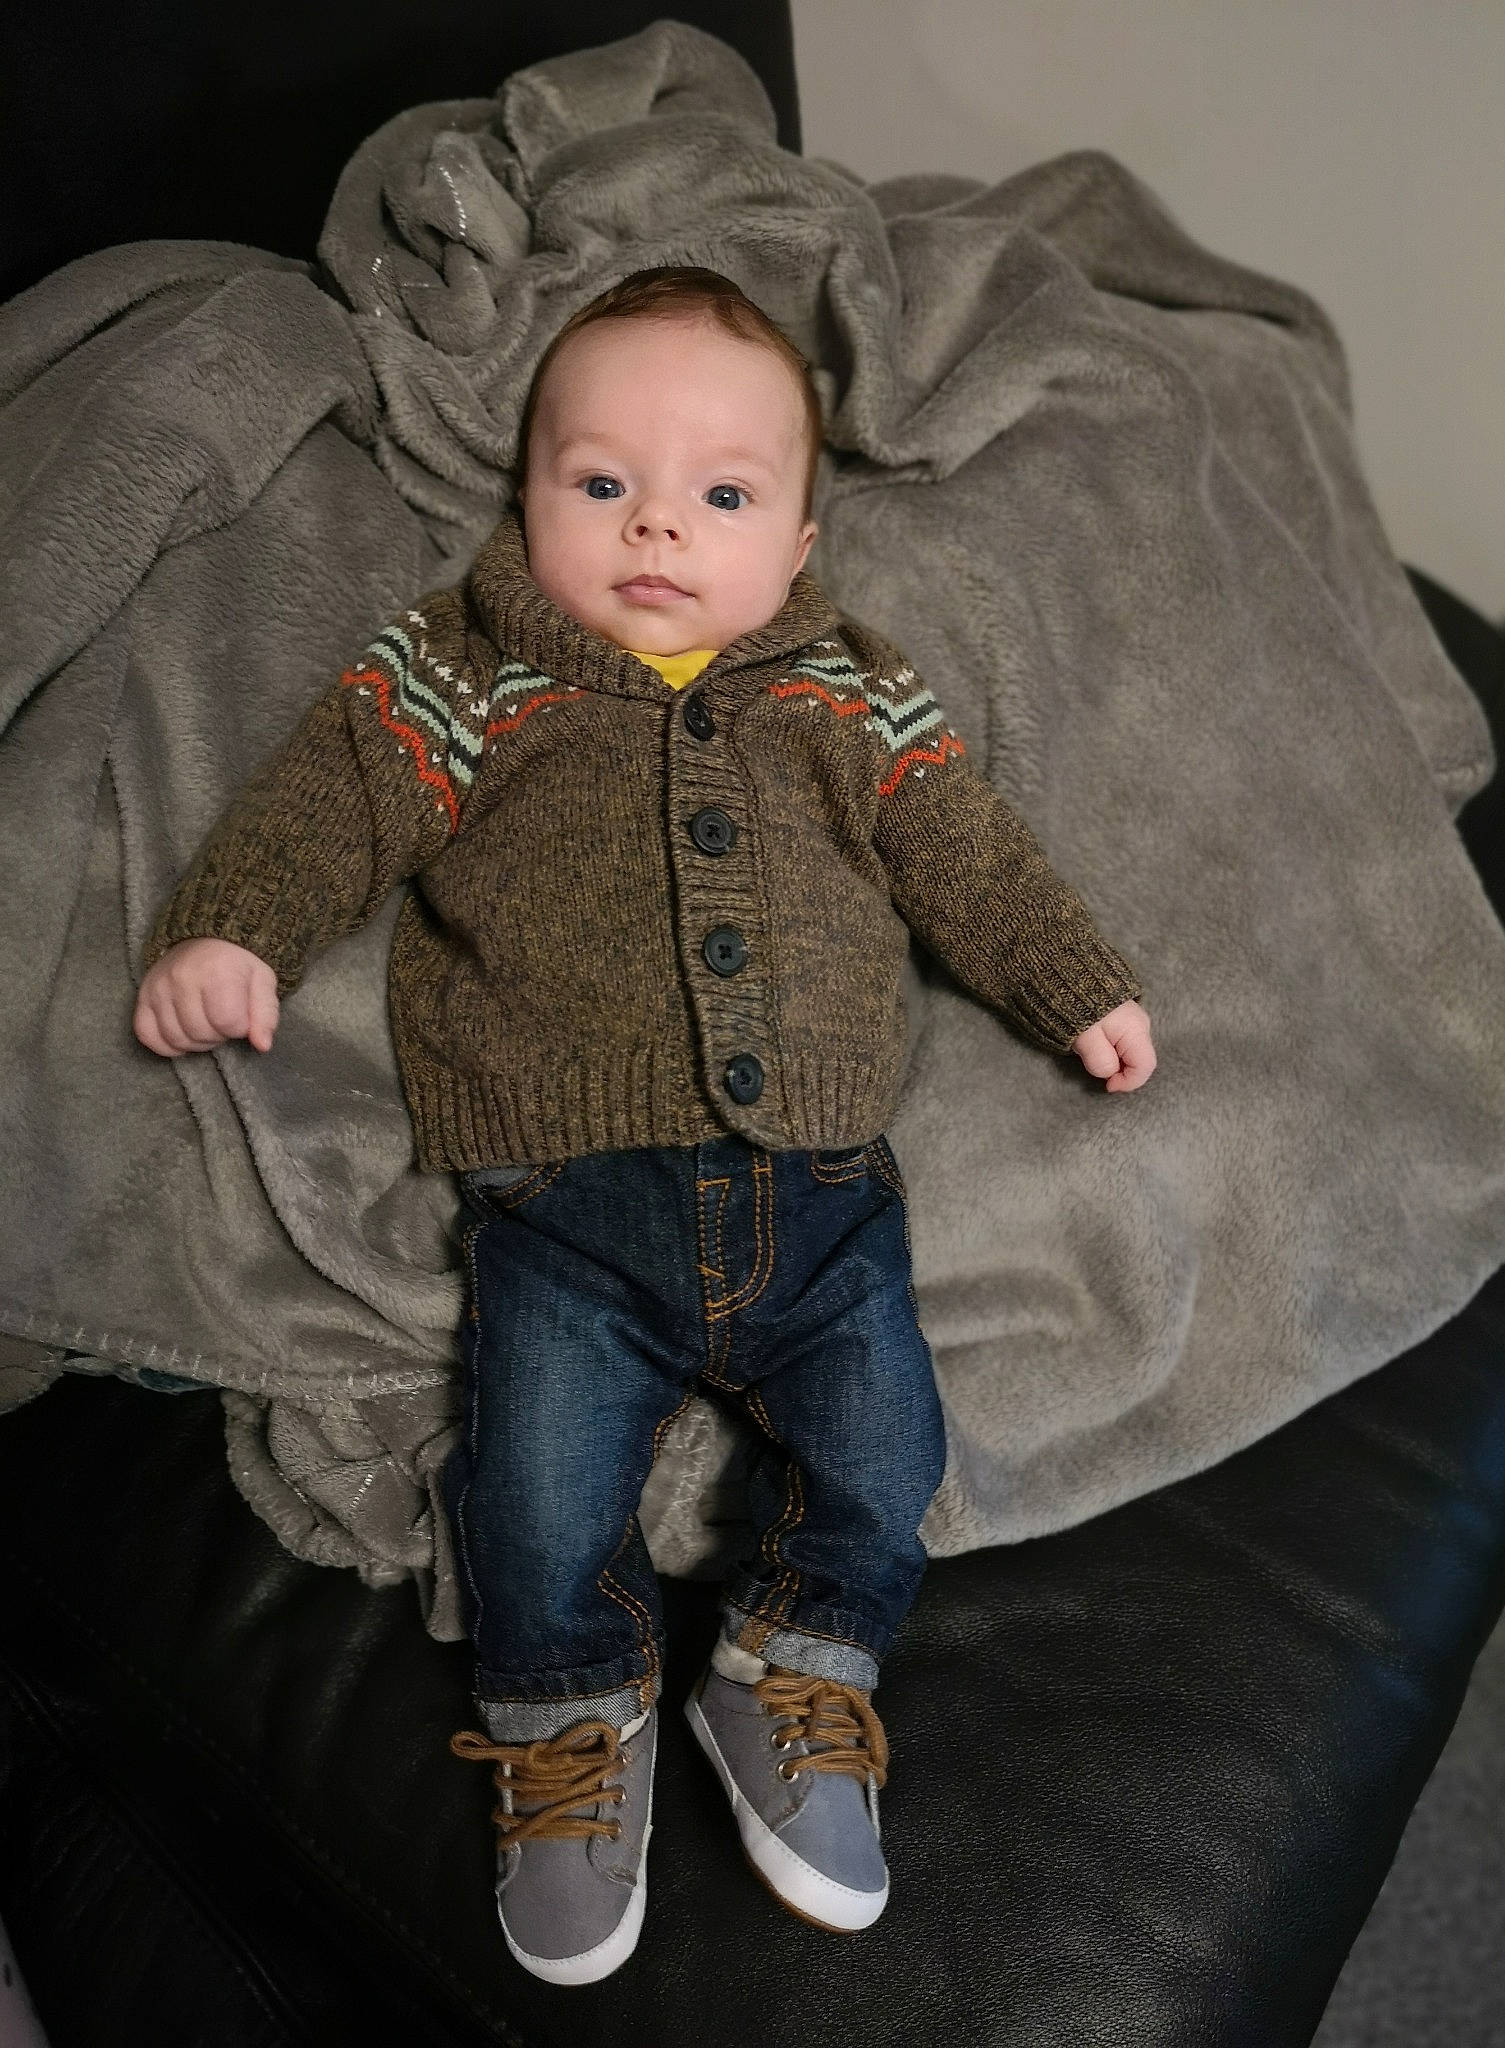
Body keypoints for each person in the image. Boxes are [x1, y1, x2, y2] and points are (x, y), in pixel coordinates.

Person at [134, 265, 1156, 1986]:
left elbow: (964, 849)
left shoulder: (848, 688)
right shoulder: (467, 668)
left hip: (826, 1195)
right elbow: (331, 798)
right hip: (564, 1205)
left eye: (722, 495)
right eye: (601, 480)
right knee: (534, 1498)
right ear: (526, 497)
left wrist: (1071, 984)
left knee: (889, 1455)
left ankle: (791, 1667)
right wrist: (237, 930)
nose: (656, 525)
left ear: (803, 543)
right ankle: (567, 1722)